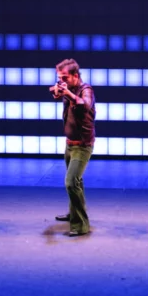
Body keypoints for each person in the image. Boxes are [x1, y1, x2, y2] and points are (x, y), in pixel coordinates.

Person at [49, 59, 96, 237]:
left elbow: (85, 104)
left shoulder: (86, 89)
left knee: (71, 182)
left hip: (82, 146)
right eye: (59, 78)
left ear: (75, 76)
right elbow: (55, 92)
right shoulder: (69, 87)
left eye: (65, 78)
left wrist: (67, 93)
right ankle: (73, 213)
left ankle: (81, 225)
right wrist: (57, 90)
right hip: (69, 144)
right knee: (76, 182)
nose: (62, 81)